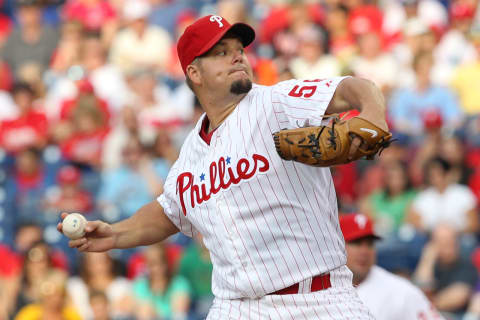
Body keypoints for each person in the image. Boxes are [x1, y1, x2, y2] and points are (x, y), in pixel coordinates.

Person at [59, 14, 390, 318]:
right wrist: (115, 233)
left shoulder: (276, 102)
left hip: (317, 300)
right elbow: (168, 211)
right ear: (193, 72)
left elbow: (356, 88)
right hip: (235, 307)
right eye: (220, 52)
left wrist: (372, 114)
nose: (237, 56)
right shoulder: (191, 152)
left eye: (238, 49)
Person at [339, 213, 444, 319]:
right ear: (338, 246)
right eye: (356, 243)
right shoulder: (325, 286)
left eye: (370, 244)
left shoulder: (401, 292)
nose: (364, 251)